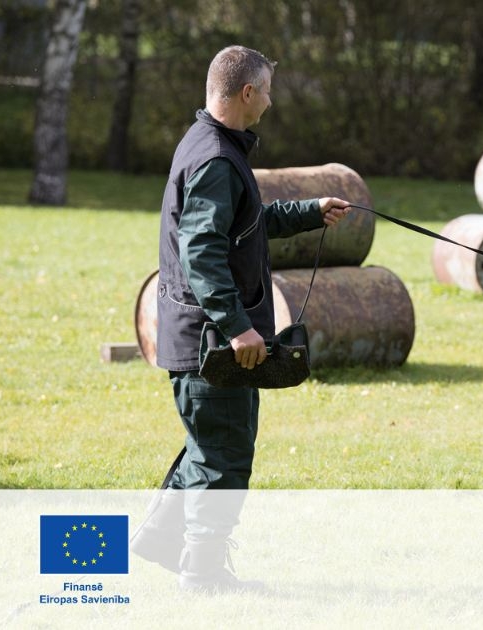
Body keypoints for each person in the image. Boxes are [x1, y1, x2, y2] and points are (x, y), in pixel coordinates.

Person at [129, 45, 352, 591]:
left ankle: (161, 542)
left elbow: (240, 227)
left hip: (204, 335)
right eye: (268, 91)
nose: (271, 103)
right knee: (223, 456)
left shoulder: (214, 146)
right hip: (212, 340)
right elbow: (201, 251)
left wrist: (307, 212)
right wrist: (238, 327)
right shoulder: (215, 158)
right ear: (247, 92)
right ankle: (202, 576)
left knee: (211, 445)